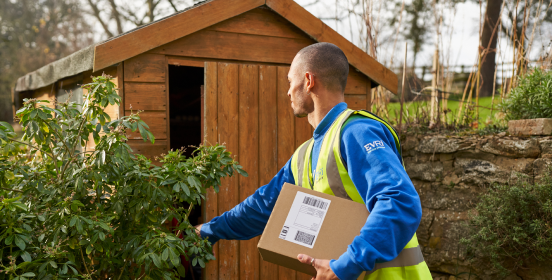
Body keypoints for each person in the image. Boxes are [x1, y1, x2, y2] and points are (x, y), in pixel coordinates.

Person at [195, 43, 432, 280]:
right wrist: (209, 230)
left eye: (290, 81)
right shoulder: (305, 155)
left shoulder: (357, 132)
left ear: (308, 81)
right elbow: (263, 206)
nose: (288, 91)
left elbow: (400, 202)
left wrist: (344, 266)